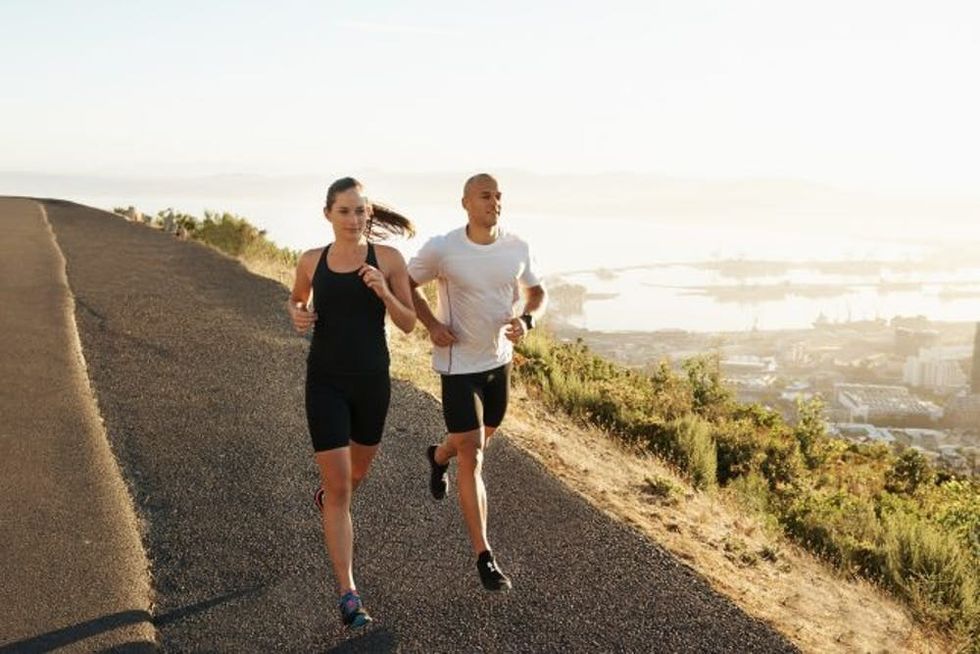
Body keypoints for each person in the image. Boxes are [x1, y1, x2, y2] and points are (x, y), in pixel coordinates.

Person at [287, 177, 416, 628]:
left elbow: (408, 323)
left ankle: (329, 499)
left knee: (355, 476)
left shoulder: (389, 260)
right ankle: (348, 593)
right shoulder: (311, 260)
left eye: (360, 211)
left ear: (369, 213)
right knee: (341, 487)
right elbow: (297, 299)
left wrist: (384, 290)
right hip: (325, 383)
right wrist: (297, 313)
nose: (353, 219)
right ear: (328, 214)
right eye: (344, 211)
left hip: (372, 384)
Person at [408, 173, 546, 591]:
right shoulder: (444, 249)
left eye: (498, 196)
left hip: (498, 364)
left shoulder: (516, 246)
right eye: (486, 196)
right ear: (466, 202)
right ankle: (484, 556)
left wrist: (527, 320)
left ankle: (437, 456)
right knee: (474, 454)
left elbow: (537, 292)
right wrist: (432, 325)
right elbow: (407, 284)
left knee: (474, 442)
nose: (494, 202)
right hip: (458, 366)